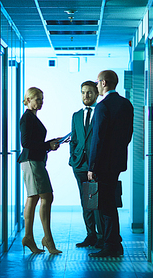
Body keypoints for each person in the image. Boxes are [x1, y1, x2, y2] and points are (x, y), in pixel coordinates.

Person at [87, 70, 134, 258]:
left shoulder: (102, 106)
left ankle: (110, 245)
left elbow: (97, 140)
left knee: (105, 206)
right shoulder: (126, 104)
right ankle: (114, 241)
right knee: (110, 203)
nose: (97, 86)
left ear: (104, 83)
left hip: (103, 164)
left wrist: (92, 166)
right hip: (117, 162)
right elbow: (128, 135)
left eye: (98, 83)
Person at [18, 87, 62, 254]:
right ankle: (47, 239)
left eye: (42, 99)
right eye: (37, 99)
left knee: (33, 197)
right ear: (28, 100)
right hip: (32, 162)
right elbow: (26, 143)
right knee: (47, 196)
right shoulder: (27, 118)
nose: (40, 102)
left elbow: (34, 142)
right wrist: (47, 145)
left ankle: (29, 237)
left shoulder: (32, 117)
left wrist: (50, 144)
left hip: (34, 160)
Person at [69, 80, 105, 248]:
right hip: (79, 164)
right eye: (83, 92)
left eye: (89, 92)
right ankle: (90, 234)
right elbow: (74, 139)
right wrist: (73, 159)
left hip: (96, 164)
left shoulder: (101, 112)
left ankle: (100, 236)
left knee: (96, 202)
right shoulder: (76, 115)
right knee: (86, 202)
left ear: (96, 94)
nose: (86, 95)